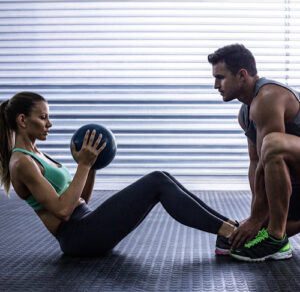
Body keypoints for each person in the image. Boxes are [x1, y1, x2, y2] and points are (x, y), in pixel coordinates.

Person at [0, 92, 236, 257]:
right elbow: (62, 211)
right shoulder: (21, 162)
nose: (49, 124)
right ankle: (230, 235)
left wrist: (90, 167)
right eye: (43, 118)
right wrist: (82, 165)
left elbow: (80, 200)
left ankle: (229, 226)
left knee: (161, 176)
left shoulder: (38, 154)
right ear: (22, 120)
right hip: (78, 237)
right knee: (156, 180)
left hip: (86, 223)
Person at [207, 44, 300, 262]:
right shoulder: (245, 114)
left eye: (220, 77)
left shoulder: (267, 96)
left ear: (242, 75)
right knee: (256, 229)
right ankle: (273, 232)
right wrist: (255, 221)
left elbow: (271, 151)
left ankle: (277, 239)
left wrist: (256, 218)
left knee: (273, 143)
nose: (215, 85)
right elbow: (256, 164)